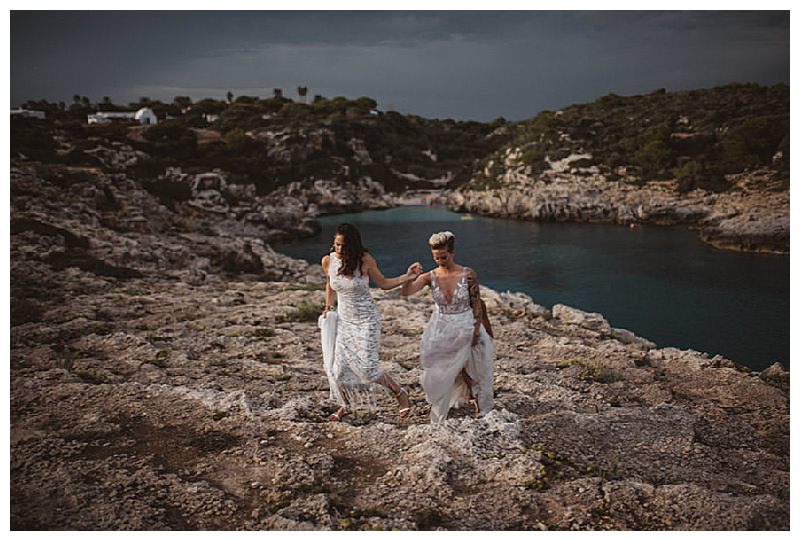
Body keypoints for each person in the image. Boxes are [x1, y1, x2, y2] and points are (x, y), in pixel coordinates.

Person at [321, 223, 422, 422]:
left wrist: (408, 277)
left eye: (344, 246)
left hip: (367, 320)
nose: (339, 250)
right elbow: (330, 285)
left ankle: (401, 394)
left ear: (353, 246)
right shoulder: (328, 261)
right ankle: (346, 405)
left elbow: (383, 284)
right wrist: (328, 307)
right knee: (339, 370)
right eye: (336, 245)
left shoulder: (365, 260)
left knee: (367, 368)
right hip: (344, 321)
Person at [401, 231, 494, 423]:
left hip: (466, 324)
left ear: (452, 253)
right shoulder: (430, 276)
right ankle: (438, 417)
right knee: (437, 372)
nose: (440, 261)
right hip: (442, 327)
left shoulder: (467, 274)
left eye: (444, 257)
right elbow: (407, 293)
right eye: (436, 258)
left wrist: (476, 329)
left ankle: (484, 410)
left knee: (478, 370)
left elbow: (476, 303)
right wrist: (409, 276)